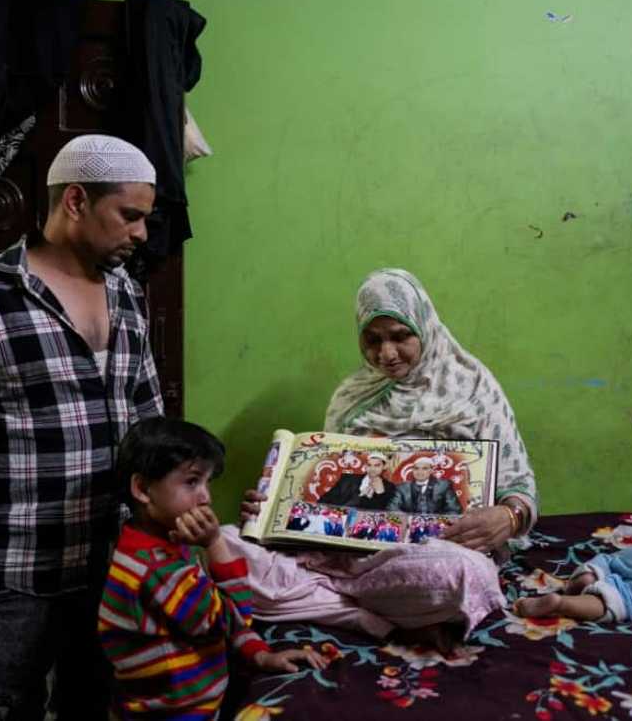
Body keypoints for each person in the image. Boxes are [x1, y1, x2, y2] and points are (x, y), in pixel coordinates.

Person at [0, 134, 166, 719]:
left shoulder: (126, 293)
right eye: (129, 215)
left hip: (111, 561)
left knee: (94, 702)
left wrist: (169, 519)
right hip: (10, 567)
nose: (142, 233)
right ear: (75, 200)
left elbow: (149, 422)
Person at [229, 268, 537, 650]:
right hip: (347, 556)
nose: (386, 354)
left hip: (430, 555)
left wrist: (508, 517)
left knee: (462, 575)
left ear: (424, 326)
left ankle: (327, 600)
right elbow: (330, 498)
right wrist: (275, 509)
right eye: (372, 340)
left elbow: (519, 484)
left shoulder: (473, 388)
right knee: (226, 545)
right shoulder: (352, 397)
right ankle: (368, 611)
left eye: (400, 336)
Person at [99, 417, 326, 719]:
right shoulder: (158, 570)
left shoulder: (146, 542)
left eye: (207, 482)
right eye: (192, 481)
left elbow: (221, 618)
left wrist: (259, 655)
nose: (206, 496)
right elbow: (236, 615)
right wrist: (215, 542)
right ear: (142, 489)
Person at [317, 452, 397, 509]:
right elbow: (324, 499)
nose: (372, 469)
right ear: (365, 466)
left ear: (384, 467)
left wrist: (380, 493)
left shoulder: (390, 487)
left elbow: (382, 512)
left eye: (377, 465)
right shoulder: (347, 479)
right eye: (369, 465)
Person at [386, 456, 462, 514]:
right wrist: (408, 520)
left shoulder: (443, 485)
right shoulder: (402, 488)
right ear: (412, 470)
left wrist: (439, 523)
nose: (420, 472)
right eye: (416, 468)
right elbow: (392, 508)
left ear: (431, 470)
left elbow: (454, 510)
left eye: (424, 468)